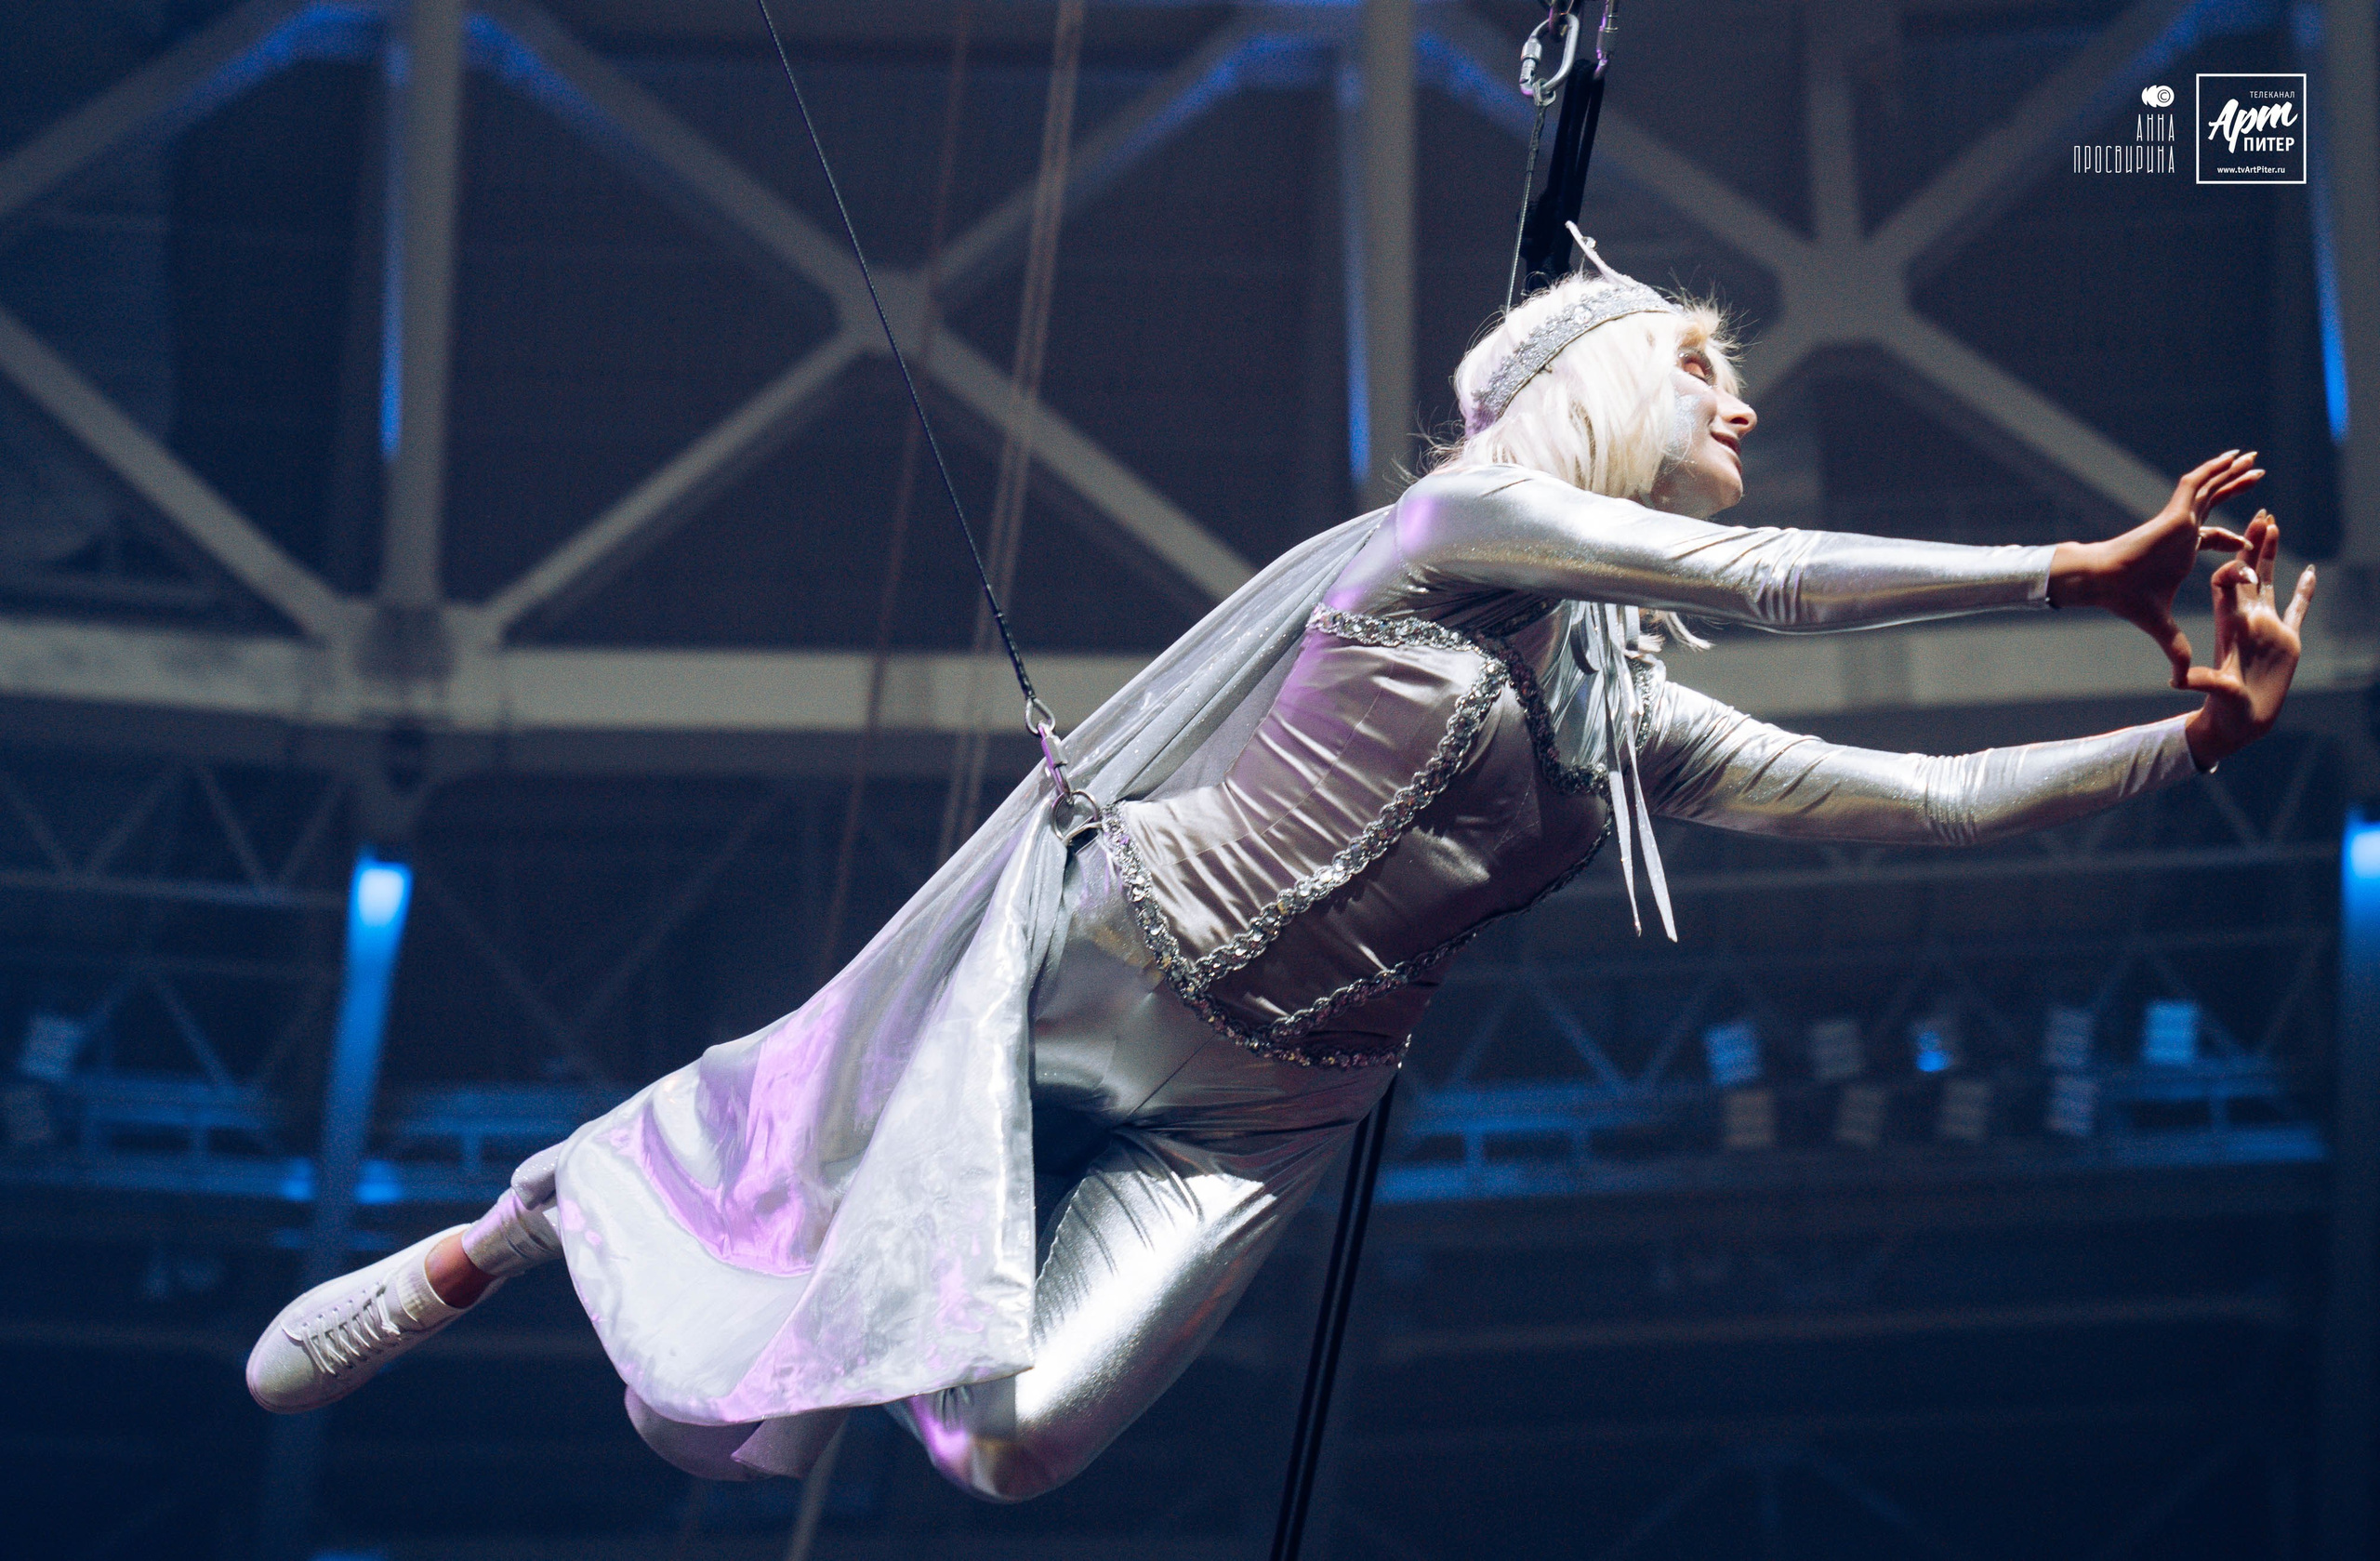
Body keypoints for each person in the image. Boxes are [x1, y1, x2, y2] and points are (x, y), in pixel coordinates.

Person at [245, 239, 2314, 1501]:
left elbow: (1925, 803)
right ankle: (533, 1221)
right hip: (1103, 960)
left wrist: (2192, 733)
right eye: (1705, 366)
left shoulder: (1622, 730)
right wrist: (2071, 565)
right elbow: (1762, 574)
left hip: (1257, 1119)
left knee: (1009, 1447)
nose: (1745, 399)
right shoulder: (1451, 538)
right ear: (1594, 382)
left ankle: (767, 1321)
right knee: (799, 1102)